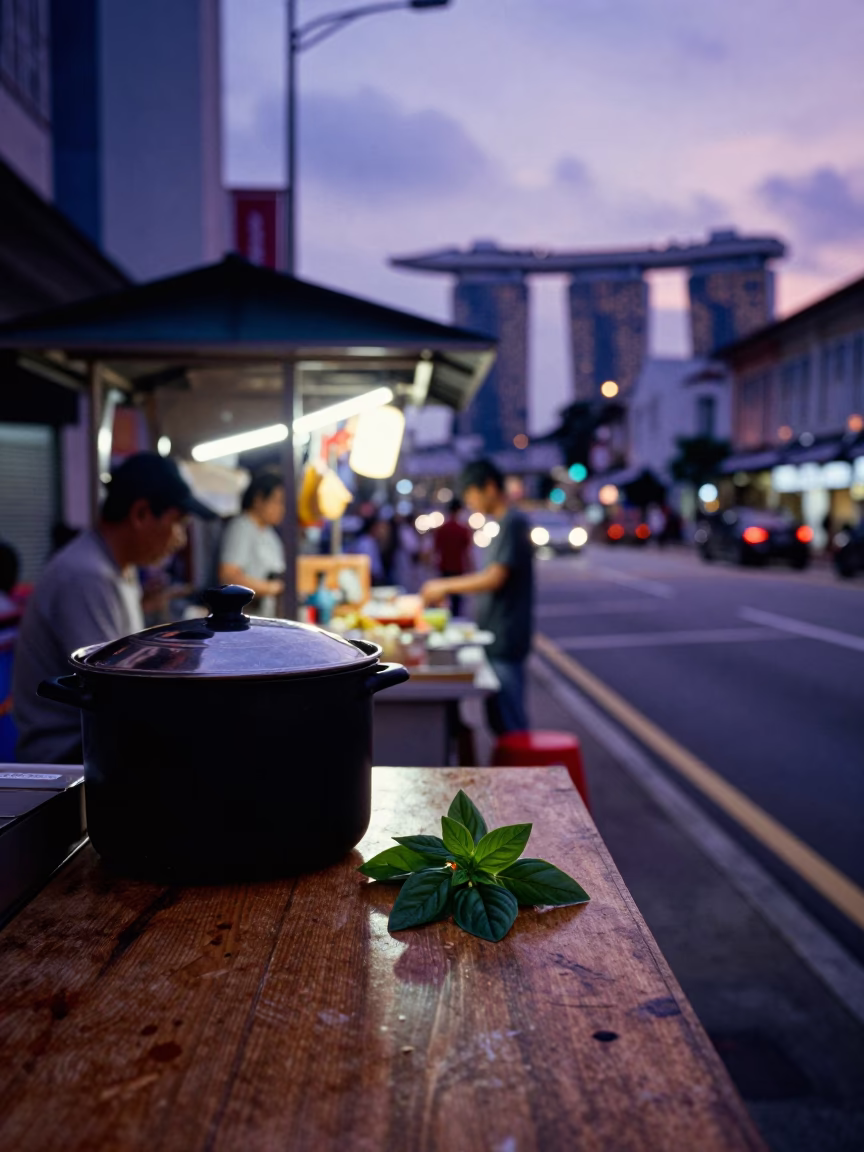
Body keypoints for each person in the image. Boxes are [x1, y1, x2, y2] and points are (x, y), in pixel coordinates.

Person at [13, 452, 215, 764]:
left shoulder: (117, 567)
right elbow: (115, 691)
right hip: (67, 760)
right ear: (141, 514)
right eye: (177, 523)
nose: (179, 539)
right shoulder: (86, 575)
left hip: (97, 743)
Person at [421, 459, 533, 734]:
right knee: (499, 721)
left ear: (490, 488)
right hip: (495, 634)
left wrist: (444, 586)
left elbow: (495, 578)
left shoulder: (512, 522)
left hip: (505, 636)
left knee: (510, 726)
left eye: (472, 495)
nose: (471, 503)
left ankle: (519, 776)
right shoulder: (500, 523)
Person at [219, 472, 287, 617]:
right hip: (244, 619)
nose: (282, 509)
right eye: (278, 501)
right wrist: (272, 588)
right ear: (258, 499)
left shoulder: (270, 534)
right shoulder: (241, 527)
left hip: (266, 617)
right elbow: (228, 576)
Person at [432, 498, 473, 616]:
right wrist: (471, 567)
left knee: (442, 597)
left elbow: (436, 550)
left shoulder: (442, 529)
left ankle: (442, 617)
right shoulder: (463, 529)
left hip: (444, 566)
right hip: (457, 567)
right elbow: (467, 552)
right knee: (457, 599)